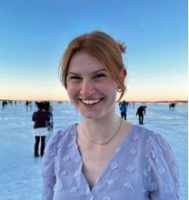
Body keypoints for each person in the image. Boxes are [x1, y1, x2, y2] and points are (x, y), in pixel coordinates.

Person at [42, 31, 179, 199]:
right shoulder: (58, 147)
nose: (86, 90)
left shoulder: (150, 149)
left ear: (120, 78)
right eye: (75, 78)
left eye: (99, 76)